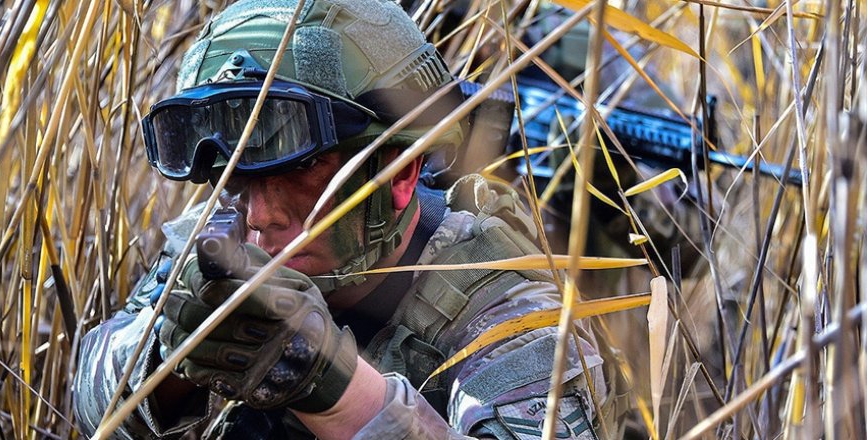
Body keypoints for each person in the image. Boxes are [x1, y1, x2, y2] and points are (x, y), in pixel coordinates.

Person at [73, 0, 613, 438]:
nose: (260, 216)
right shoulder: (222, 236)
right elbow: (91, 401)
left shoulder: (509, 311)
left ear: (401, 173)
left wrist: (333, 389)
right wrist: (174, 351)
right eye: (235, 176)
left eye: (302, 167)